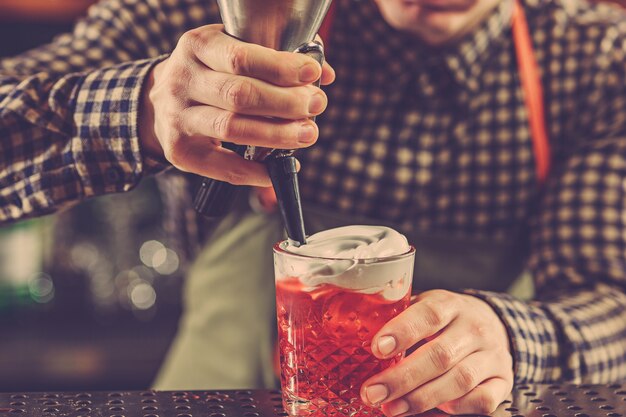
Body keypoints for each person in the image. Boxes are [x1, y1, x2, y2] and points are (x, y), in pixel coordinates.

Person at [1, 0, 625, 415]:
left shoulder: (592, 57)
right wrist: (141, 107)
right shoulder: (229, 14)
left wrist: (510, 338)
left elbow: (609, 306)